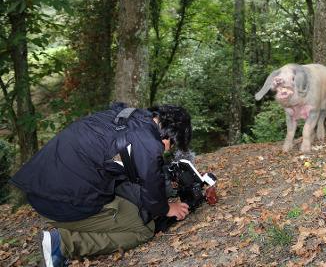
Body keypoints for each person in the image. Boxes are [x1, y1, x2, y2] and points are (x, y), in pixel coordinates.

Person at [10, 103, 193, 267]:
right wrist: (167, 207)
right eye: (173, 145)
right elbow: (155, 202)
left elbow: (121, 164)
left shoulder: (125, 115)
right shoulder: (148, 144)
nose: (169, 150)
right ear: (168, 137)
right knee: (144, 229)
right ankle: (63, 244)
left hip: (39, 188)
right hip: (62, 205)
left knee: (131, 205)